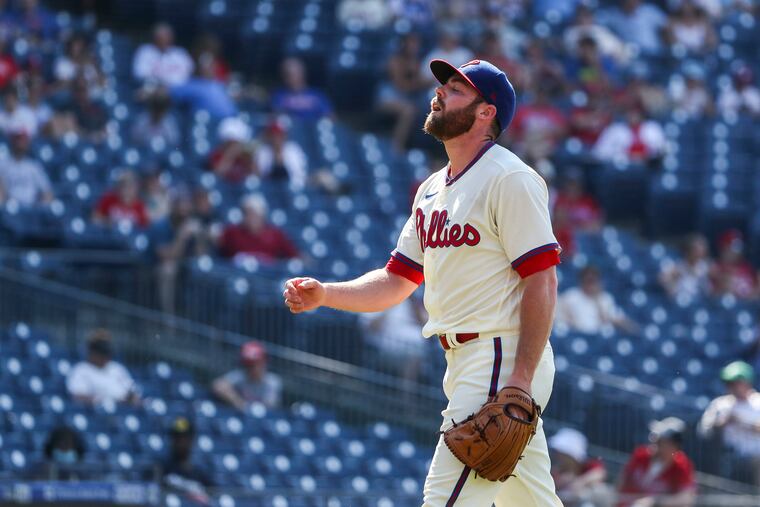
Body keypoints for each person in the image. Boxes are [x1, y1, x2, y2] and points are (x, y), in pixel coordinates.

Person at [284, 59, 564, 506]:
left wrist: (520, 378)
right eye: (443, 86)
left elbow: (542, 281)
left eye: (456, 89)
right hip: (467, 362)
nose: (439, 93)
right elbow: (397, 280)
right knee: (529, 500)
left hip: (500, 356)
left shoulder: (510, 178)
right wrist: (327, 294)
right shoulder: (432, 188)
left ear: (486, 112)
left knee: (443, 499)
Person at [698, 361, 760, 486]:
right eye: (729, 383)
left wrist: (743, 422)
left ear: (747, 382)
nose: (733, 387)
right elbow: (703, 430)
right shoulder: (720, 404)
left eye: (737, 383)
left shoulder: (758, 402)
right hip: (729, 458)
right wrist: (721, 423)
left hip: (756, 459)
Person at [149, 189, 209, 314]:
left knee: (202, 271)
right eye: (180, 206)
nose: (183, 210)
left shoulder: (193, 224)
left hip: (184, 266)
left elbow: (202, 256)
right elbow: (165, 256)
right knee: (168, 269)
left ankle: (196, 317)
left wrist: (199, 237)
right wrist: (181, 237)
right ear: (173, 207)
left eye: (186, 207)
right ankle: (168, 317)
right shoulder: (161, 225)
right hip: (153, 268)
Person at [617, 417, 697, 507]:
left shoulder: (682, 465)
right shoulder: (641, 455)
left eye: (661, 441)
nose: (655, 443)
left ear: (674, 445)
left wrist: (655, 502)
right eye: (655, 439)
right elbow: (622, 483)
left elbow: (686, 499)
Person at [66, 329, 140, 406]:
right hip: (98, 412)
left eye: (106, 353)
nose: (105, 357)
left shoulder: (117, 368)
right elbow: (77, 396)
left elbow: (133, 392)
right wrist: (103, 401)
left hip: (123, 410)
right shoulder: (81, 370)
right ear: (92, 352)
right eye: (102, 353)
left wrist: (131, 399)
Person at [218, 194, 300, 264]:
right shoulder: (232, 233)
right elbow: (221, 255)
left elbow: (294, 257)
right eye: (248, 214)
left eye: (255, 215)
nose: (251, 218)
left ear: (262, 216)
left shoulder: (275, 234)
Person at [556, 266, 638, 335]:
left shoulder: (605, 298)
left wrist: (597, 299)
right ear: (581, 281)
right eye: (588, 281)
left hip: (599, 337)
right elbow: (561, 318)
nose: (590, 285)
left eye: (593, 281)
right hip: (576, 334)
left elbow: (614, 319)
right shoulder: (571, 296)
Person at [549, 428, 613, 507]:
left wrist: (579, 483)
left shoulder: (587, 466)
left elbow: (600, 473)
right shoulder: (557, 470)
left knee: (600, 490)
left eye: (562, 453)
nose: (558, 455)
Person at [211, 341, 282, 410]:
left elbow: (269, 407)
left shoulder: (272, 382)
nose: (249, 368)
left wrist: (249, 408)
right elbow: (218, 385)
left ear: (263, 363)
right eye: (247, 364)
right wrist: (239, 402)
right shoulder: (241, 375)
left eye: (253, 365)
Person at [161, 417, 214, 506]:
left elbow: (211, 498)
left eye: (185, 438)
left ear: (192, 440)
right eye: (177, 438)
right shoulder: (162, 469)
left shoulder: (201, 475)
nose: (181, 443)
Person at [0, 123, 53, 207]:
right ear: (12, 141)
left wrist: (42, 206)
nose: (20, 143)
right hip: (10, 208)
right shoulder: (3, 165)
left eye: (23, 140)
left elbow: (47, 192)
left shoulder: (33, 166)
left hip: (31, 209)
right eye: (17, 139)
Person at [132, 23, 194, 87]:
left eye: (166, 36)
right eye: (160, 37)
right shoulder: (145, 51)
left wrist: (168, 85)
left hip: (177, 89)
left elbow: (187, 75)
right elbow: (140, 75)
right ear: (154, 37)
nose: (163, 39)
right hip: (152, 88)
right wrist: (161, 83)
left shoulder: (180, 53)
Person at [658, 234, 712, 302]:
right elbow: (661, 280)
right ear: (687, 251)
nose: (698, 254)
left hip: (699, 301)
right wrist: (676, 274)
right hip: (678, 301)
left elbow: (711, 291)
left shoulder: (707, 267)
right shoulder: (675, 265)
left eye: (701, 250)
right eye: (695, 250)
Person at [710, 230, 759, 300]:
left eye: (738, 250)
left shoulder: (746, 267)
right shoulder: (715, 267)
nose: (736, 253)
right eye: (731, 249)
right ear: (723, 248)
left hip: (747, 306)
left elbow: (753, 291)